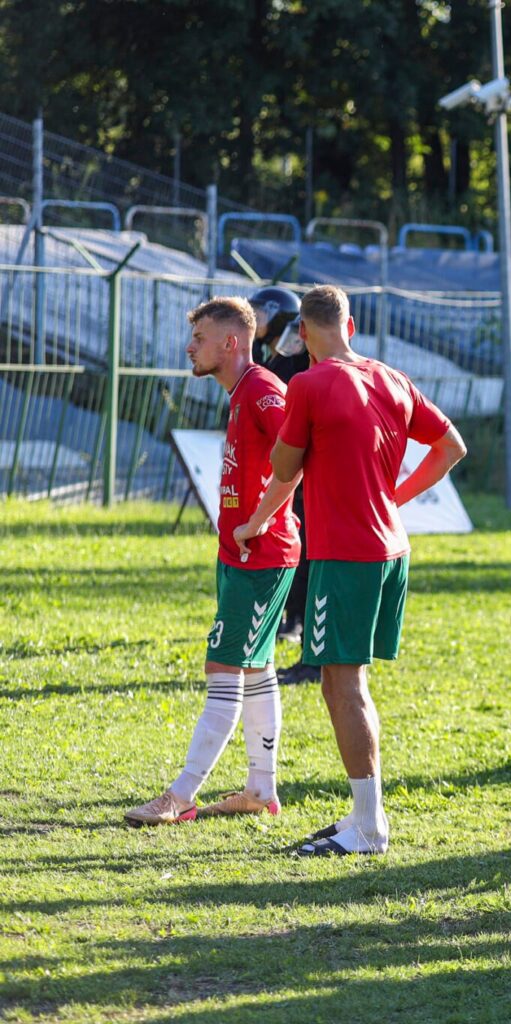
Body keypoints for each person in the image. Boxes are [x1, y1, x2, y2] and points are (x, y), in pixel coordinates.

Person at [235, 285, 467, 856]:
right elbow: (451, 447)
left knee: (342, 684)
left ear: (303, 335)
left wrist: (253, 524)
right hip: (391, 551)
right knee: (349, 682)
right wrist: (394, 496)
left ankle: (368, 828)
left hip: (346, 555)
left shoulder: (308, 384)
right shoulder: (391, 377)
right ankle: (365, 817)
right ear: (352, 325)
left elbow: (285, 471)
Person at [125, 298, 300, 826]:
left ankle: (180, 796)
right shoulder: (242, 393)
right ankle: (260, 791)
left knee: (223, 667)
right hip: (242, 556)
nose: (189, 348)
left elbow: (299, 454)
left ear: (231, 342)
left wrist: (259, 521)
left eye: (199, 338)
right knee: (256, 668)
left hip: (260, 559)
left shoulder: (264, 391)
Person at [247, 286, 320, 684]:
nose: (254, 320)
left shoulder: (298, 363)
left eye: (260, 313)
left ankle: (311, 644)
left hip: (301, 471)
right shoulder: (274, 357)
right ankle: (288, 620)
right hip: (284, 469)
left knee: (307, 553)